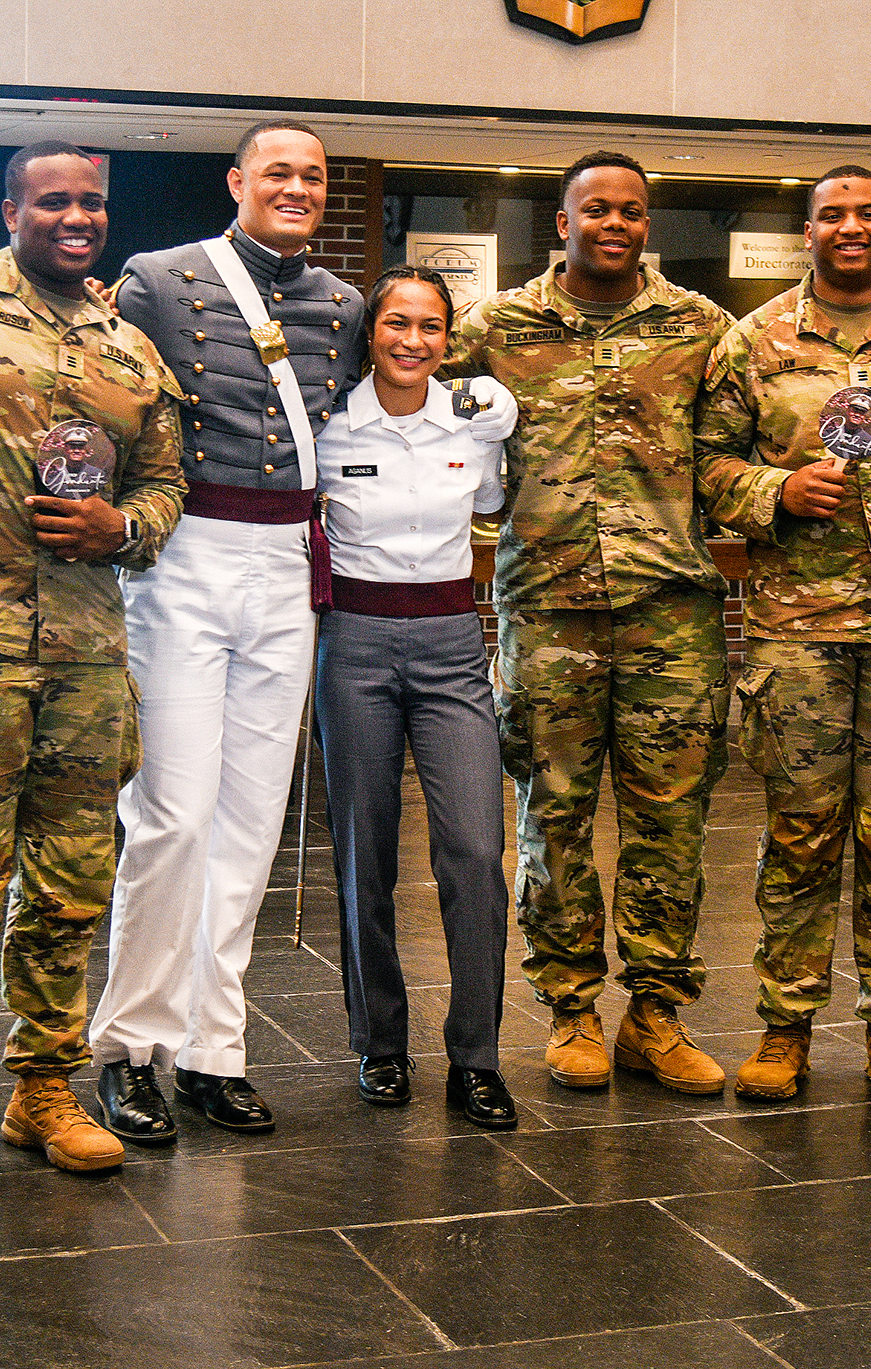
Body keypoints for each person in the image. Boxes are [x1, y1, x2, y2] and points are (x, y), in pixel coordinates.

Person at [90, 119, 515, 1143]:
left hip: (286, 566)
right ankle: (127, 1044)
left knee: (248, 826)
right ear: (237, 180)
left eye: (313, 177)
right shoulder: (156, 278)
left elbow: (402, 394)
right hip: (188, 551)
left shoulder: (338, 305)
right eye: (277, 171)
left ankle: (211, 1046)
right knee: (173, 814)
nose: (297, 187)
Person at [0, 142, 184, 1187]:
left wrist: (124, 527)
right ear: (9, 208)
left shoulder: (131, 349)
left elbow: (164, 484)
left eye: (91, 203)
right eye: (52, 199)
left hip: (87, 646)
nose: (75, 216)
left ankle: (44, 1085)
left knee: (70, 880)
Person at [443, 150, 736, 1097]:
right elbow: (414, 408)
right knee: (553, 814)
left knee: (671, 821)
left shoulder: (701, 328)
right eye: (596, 209)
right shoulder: (495, 329)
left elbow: (742, 445)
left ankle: (656, 1012)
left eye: (634, 212)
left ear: (649, 224)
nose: (616, 224)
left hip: (673, 617)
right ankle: (571, 1008)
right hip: (548, 610)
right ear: (561, 221)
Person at [698, 164, 871, 1106]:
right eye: (830, 216)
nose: (849, 228)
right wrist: (775, 492)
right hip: (798, 631)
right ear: (805, 232)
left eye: (865, 213)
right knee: (801, 833)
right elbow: (709, 463)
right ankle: (784, 1028)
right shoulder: (755, 341)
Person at [312, 264, 517, 1127]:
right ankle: (381, 1045)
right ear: (371, 332)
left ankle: (475, 1055)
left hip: (450, 645)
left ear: (448, 339)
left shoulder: (480, 421)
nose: (412, 342)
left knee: (474, 852)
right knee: (366, 855)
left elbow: (498, 508)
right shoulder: (324, 427)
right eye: (397, 324)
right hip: (353, 644)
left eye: (430, 327)